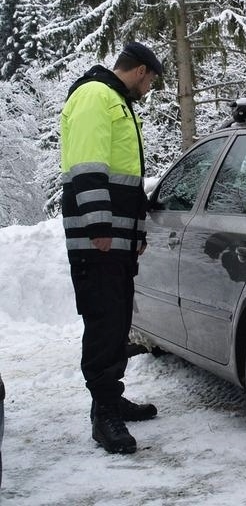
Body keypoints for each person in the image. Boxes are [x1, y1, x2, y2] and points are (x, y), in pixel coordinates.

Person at [60, 41, 163, 454]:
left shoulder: (115, 100)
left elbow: (126, 179)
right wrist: (99, 226)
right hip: (96, 241)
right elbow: (87, 166)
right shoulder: (94, 96)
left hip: (115, 241)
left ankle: (111, 397)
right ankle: (104, 415)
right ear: (140, 71)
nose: (150, 88)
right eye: (152, 80)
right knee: (104, 322)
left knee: (117, 320)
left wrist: (134, 234)